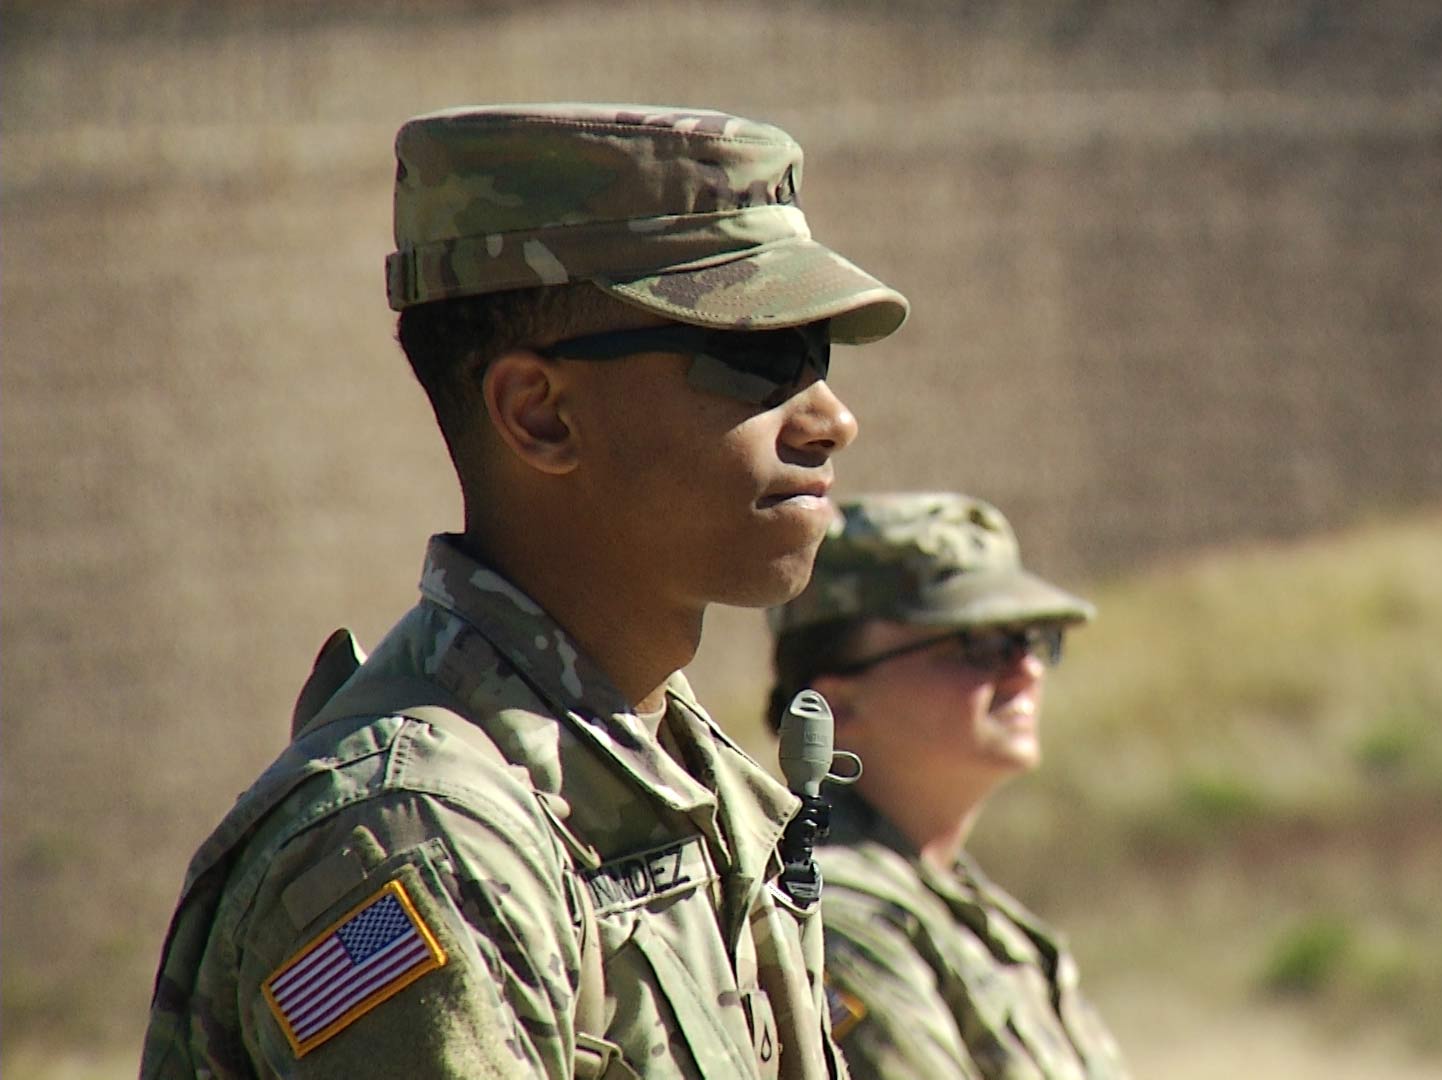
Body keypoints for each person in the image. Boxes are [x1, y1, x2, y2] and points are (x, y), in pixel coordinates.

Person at [140, 103, 908, 1079]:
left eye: (819, 355)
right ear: (539, 414)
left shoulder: (684, 782)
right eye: (758, 358)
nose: (830, 418)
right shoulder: (416, 843)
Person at [764, 493, 1132, 1080]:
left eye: (1032, 640)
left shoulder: (955, 903)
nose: (1027, 670)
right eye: (977, 645)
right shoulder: (838, 917)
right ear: (838, 703)